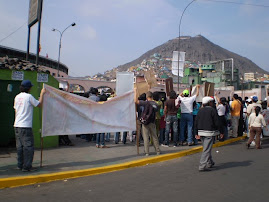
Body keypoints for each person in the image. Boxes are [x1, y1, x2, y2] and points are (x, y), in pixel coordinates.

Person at [14, 80, 46, 172]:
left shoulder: (17, 97)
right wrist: (42, 94)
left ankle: (20, 165)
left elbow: (16, 110)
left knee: (20, 147)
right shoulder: (28, 97)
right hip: (25, 126)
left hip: (17, 124)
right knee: (28, 147)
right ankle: (27, 167)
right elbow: (39, 105)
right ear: (29, 88)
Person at [195, 96, 224, 172]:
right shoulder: (212, 110)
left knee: (206, 147)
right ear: (209, 103)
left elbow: (196, 122)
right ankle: (202, 166)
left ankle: (210, 162)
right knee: (206, 149)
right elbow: (217, 122)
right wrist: (221, 131)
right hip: (209, 132)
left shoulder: (200, 111)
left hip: (201, 132)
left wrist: (195, 132)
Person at [135, 91, 160, 156]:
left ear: (147, 97)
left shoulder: (145, 103)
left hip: (145, 122)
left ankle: (147, 152)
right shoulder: (155, 104)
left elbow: (136, 101)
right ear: (152, 97)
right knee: (154, 136)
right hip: (152, 122)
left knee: (146, 137)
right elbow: (156, 111)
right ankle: (157, 150)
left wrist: (135, 91)